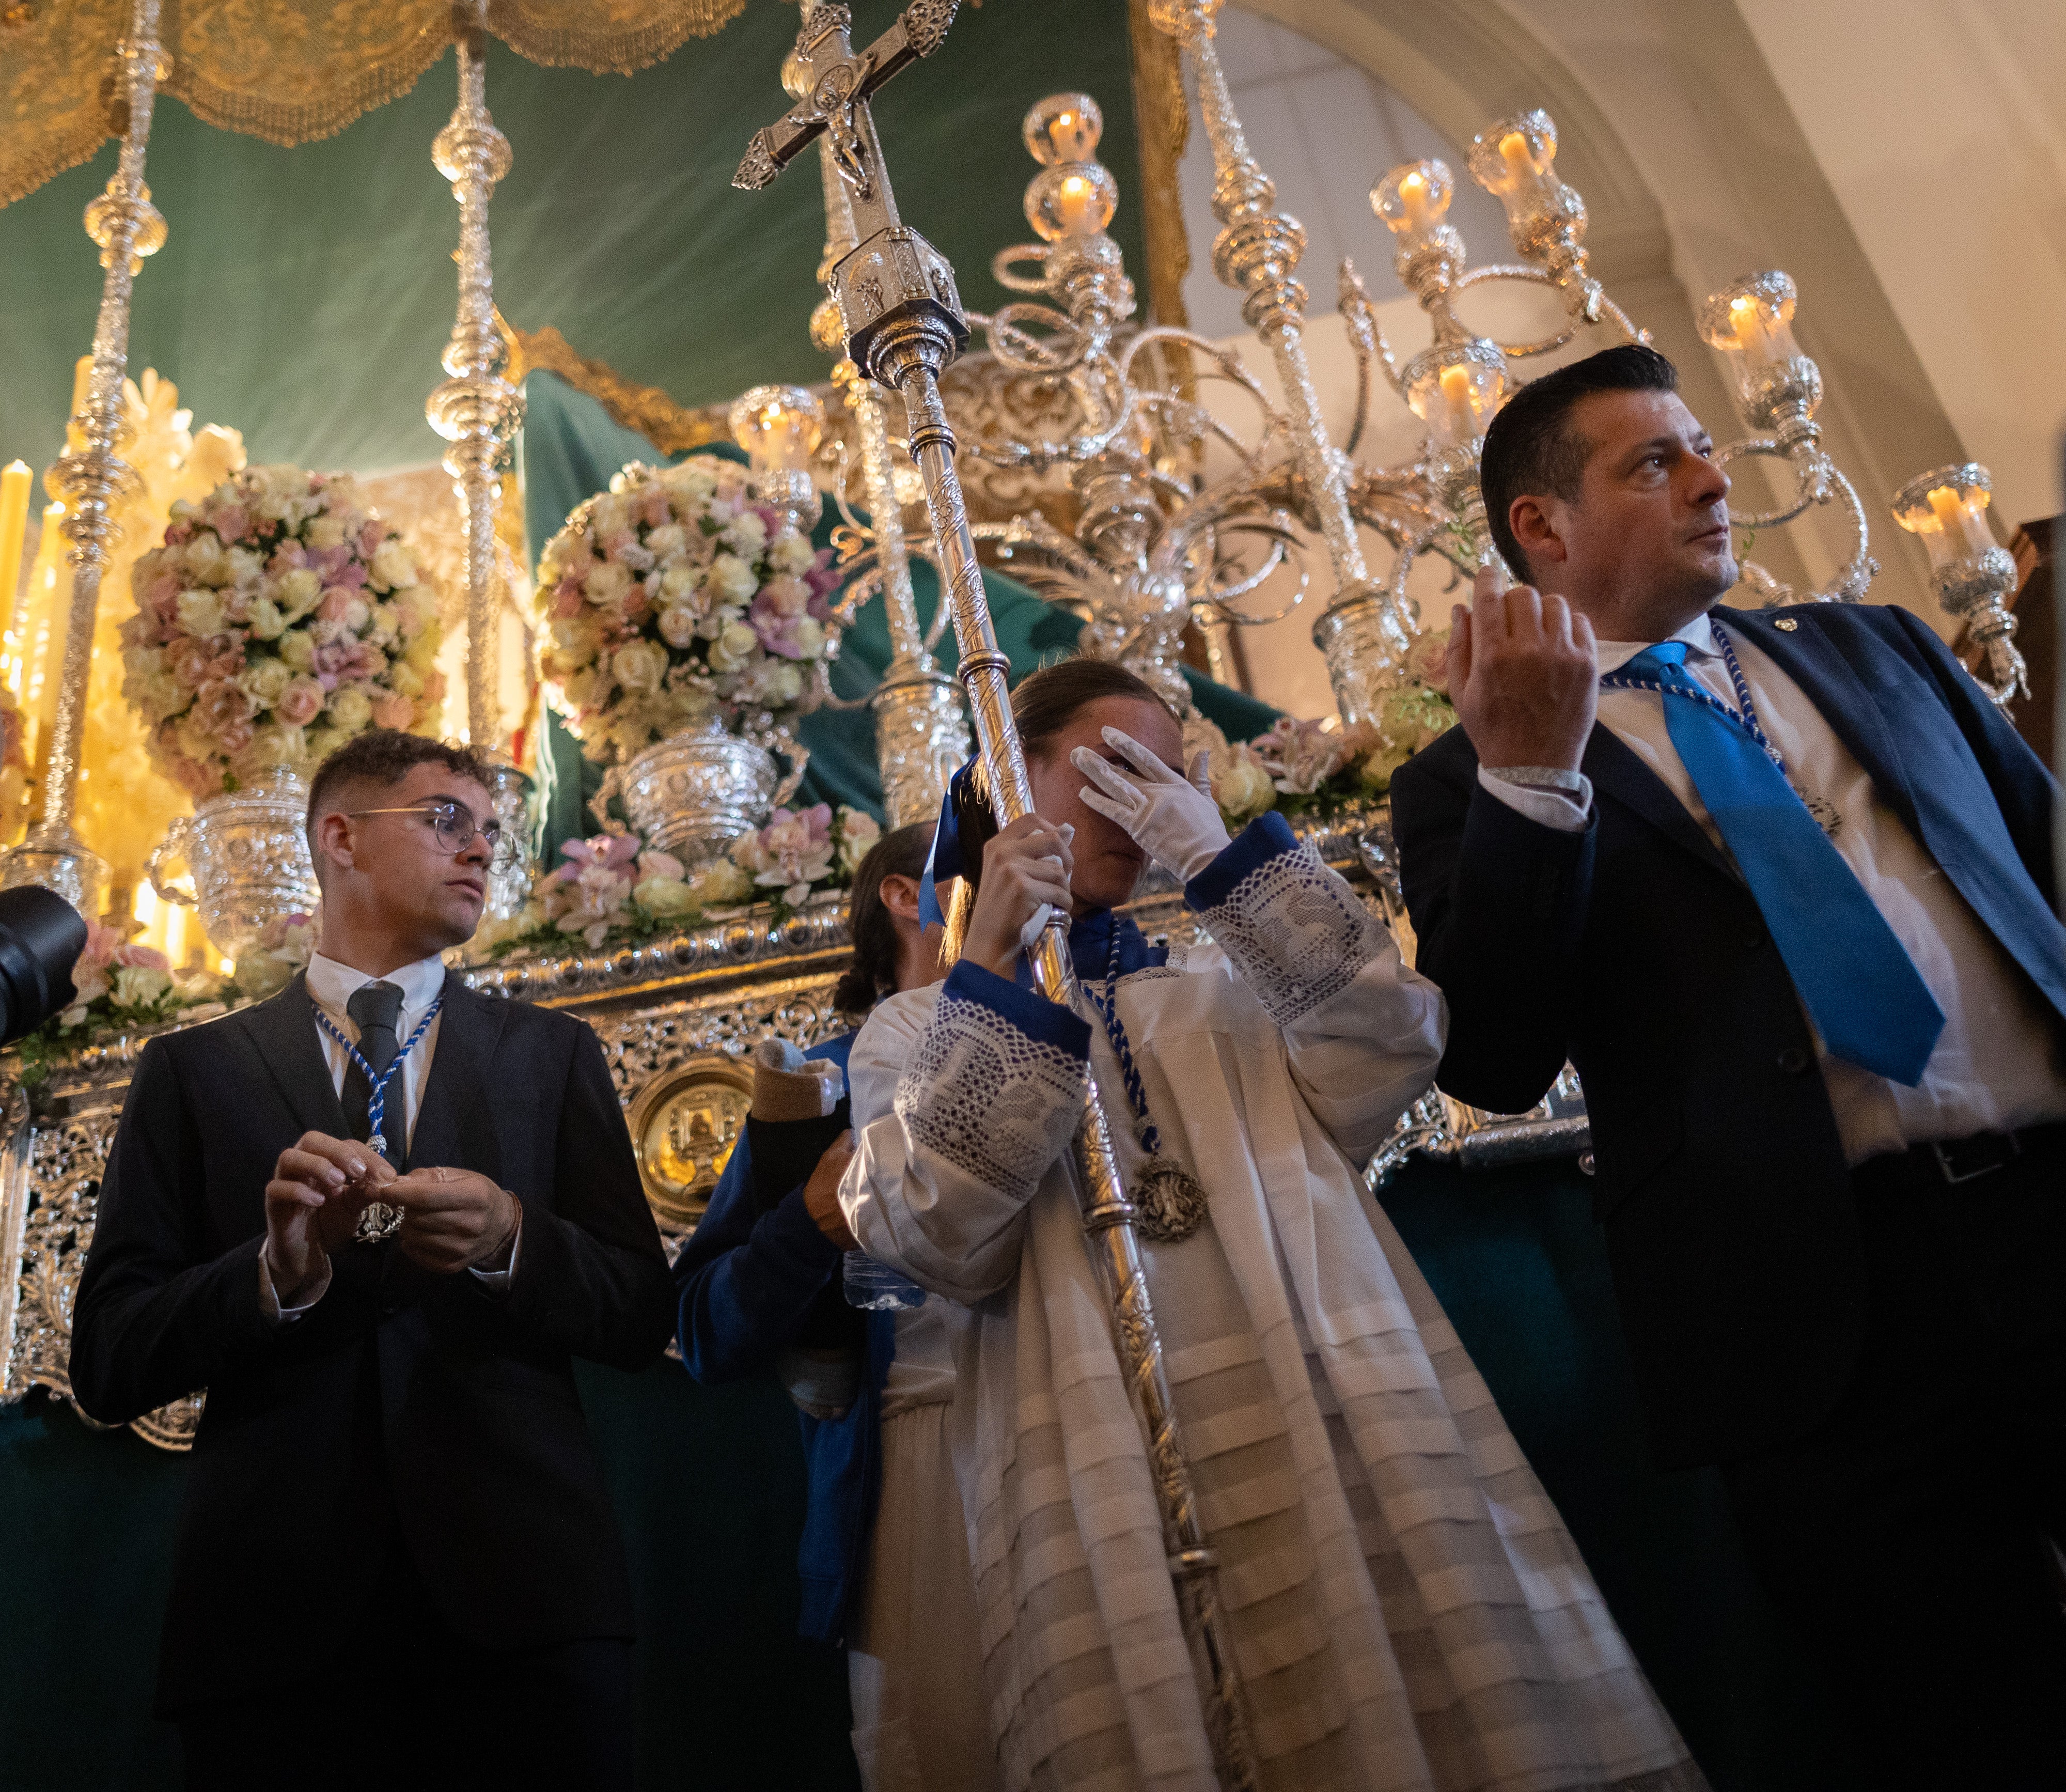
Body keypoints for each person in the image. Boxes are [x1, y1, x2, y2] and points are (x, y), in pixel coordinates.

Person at [837, 657, 1703, 1792]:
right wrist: (991, 965)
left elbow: (1391, 1042)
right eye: (1104, 767)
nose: (1131, 802)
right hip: (1083, 1410)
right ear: (1010, 779)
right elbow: (937, 1232)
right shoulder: (913, 1029)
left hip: (1326, 1384)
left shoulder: (1232, 982)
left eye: (1161, 774)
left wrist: (1216, 856)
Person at [1388, 342, 2066, 1787]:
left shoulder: (1875, 644)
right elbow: (1498, 1054)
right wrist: (1528, 773)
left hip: (2055, 1205)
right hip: (1824, 1328)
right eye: (1654, 461)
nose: (1712, 478)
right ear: (1543, 530)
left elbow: (2051, 865)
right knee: (1974, 1727)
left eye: (1704, 446)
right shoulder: (1465, 778)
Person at [70, 730, 675, 1792]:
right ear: (339, 836)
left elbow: (638, 1314)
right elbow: (110, 1359)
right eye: (447, 819)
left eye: (491, 831)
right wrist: (273, 1275)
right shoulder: (193, 1069)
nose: (480, 850)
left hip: (526, 1604)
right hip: (271, 1620)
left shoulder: (551, 1054)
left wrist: (511, 1241)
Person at [672, 822, 994, 1792]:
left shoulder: (1086, 1030)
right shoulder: (816, 1086)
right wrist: (811, 1223)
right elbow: (703, 1329)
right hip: (920, 1481)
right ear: (907, 895)